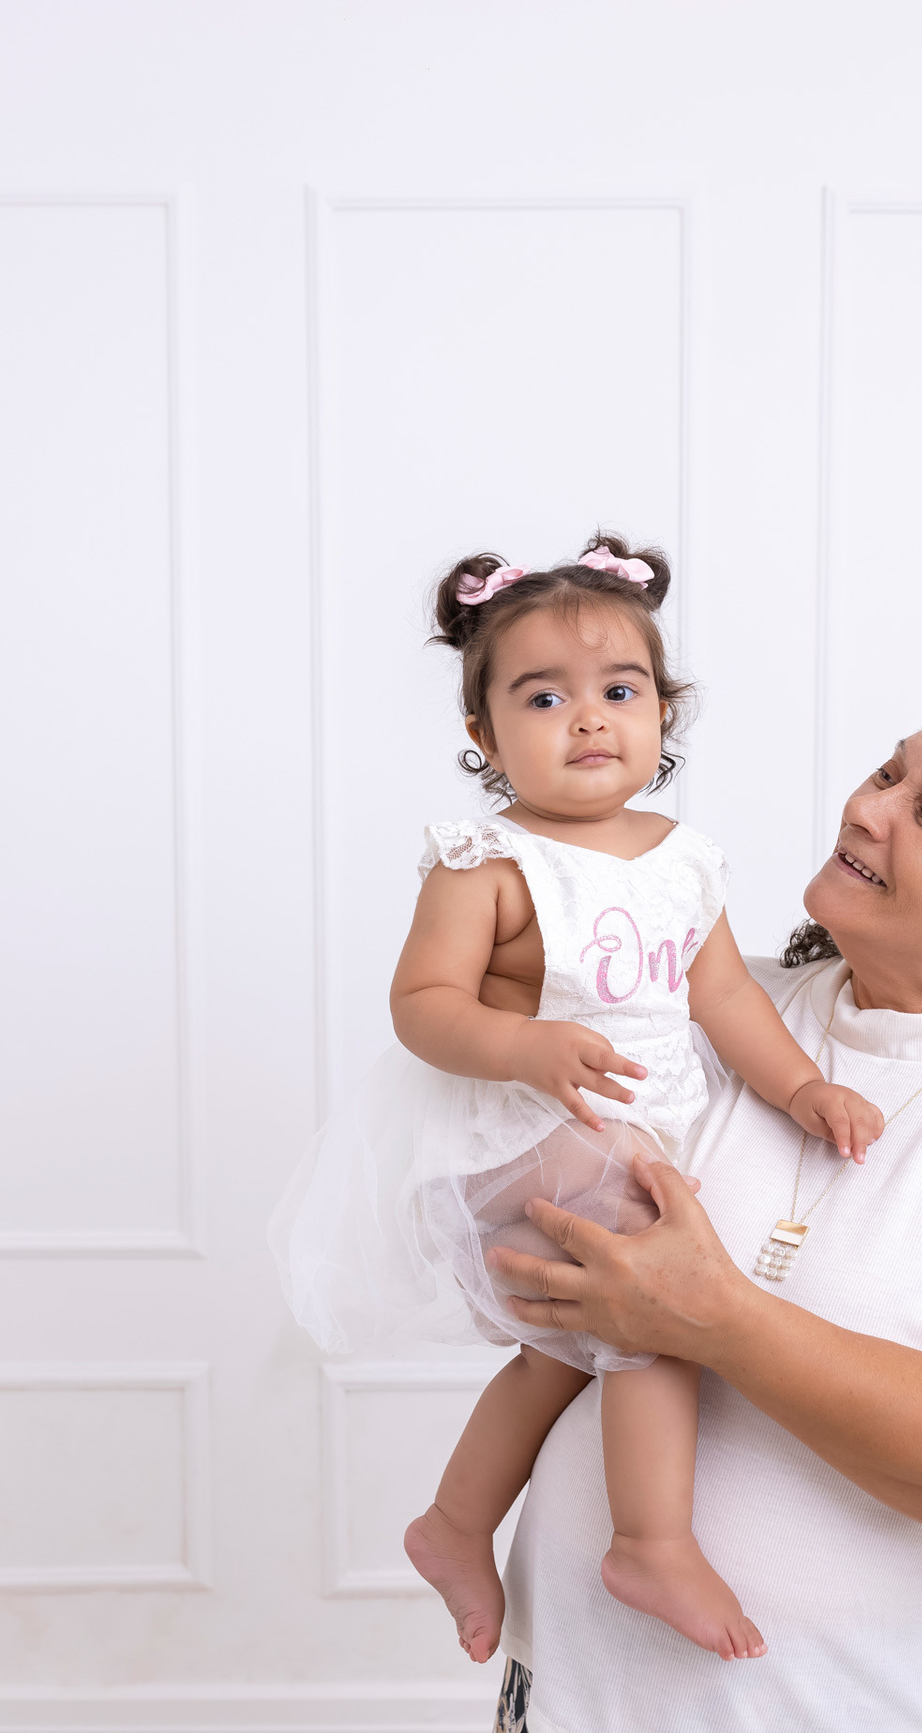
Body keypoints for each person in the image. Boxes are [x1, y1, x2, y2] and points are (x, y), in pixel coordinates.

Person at [487, 689, 922, 1733]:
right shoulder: (689, 1008)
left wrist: (719, 1321)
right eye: (888, 772)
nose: (869, 808)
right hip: (560, 1703)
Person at [269, 534, 883, 1667]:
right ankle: (651, 1540)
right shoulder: (485, 862)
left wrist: (800, 1085)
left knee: (570, 1348)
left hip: (618, 1124)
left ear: (664, 712)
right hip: (513, 1129)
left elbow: (727, 993)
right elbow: (421, 1004)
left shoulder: (682, 858)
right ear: (485, 740)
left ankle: (454, 1522)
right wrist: (524, 1046)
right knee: (659, 1294)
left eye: (619, 690)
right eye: (544, 697)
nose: (590, 718)